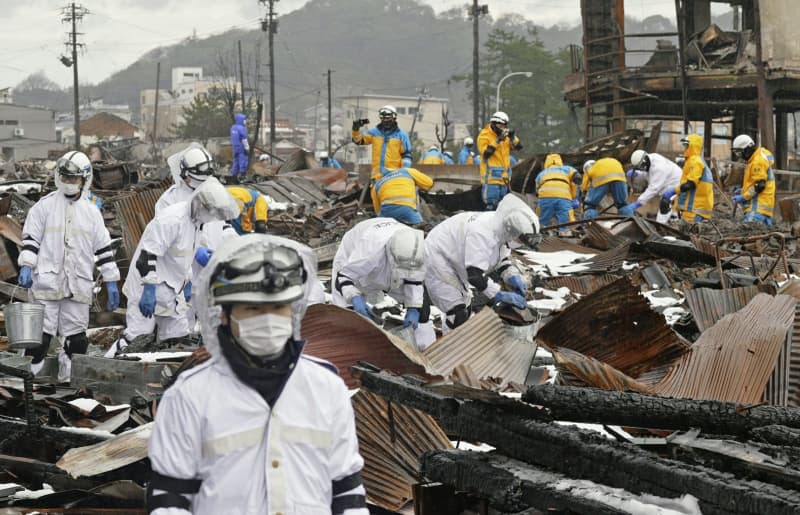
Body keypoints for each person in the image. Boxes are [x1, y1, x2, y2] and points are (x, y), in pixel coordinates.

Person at [147, 234, 367, 515]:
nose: (268, 319)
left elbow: (347, 491)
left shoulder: (327, 388)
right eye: (253, 309)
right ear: (224, 315)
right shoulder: (188, 397)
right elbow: (169, 500)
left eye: (278, 307)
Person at [18, 151, 120, 379]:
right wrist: (26, 265)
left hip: (78, 285)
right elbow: (30, 240)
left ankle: (68, 384)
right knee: (39, 341)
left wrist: (112, 281)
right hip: (47, 283)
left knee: (77, 342)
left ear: (85, 179)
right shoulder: (43, 207)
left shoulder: (92, 212)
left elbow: (103, 249)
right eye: (65, 178)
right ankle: (26, 386)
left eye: (73, 179)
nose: (68, 183)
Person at [119, 177, 240, 351]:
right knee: (136, 340)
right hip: (146, 286)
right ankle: (106, 368)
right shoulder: (172, 219)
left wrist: (188, 281)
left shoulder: (197, 224)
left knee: (178, 342)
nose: (212, 216)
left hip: (172, 291)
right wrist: (149, 288)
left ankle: (165, 376)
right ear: (200, 203)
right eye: (211, 211)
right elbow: (147, 256)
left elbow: (182, 258)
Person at [425, 193, 538, 330]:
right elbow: (474, 275)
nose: (519, 243)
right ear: (512, 230)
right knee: (456, 311)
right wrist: (498, 294)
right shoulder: (482, 233)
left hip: (454, 258)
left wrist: (512, 276)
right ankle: (451, 348)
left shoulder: (501, 230)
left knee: (465, 306)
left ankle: (457, 343)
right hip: (437, 257)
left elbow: (502, 260)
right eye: (520, 239)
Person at [332, 218, 431, 344]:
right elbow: (343, 277)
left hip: (393, 257)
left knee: (422, 308)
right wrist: (354, 298)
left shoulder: (417, 248)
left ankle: (423, 345)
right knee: (347, 314)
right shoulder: (368, 251)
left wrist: (414, 307)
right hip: (356, 249)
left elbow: (415, 279)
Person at [660, 134, 714, 222]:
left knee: (690, 234)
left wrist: (672, 192)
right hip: (693, 208)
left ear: (693, 146)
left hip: (695, 209)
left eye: (686, 146)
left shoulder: (695, 161)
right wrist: (675, 203)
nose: (685, 148)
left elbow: (690, 184)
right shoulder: (693, 160)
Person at [477, 111, 522, 210]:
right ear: (494, 124)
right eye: (500, 126)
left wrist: (512, 137)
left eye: (504, 126)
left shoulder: (505, 136)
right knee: (491, 205)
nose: (503, 128)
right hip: (491, 178)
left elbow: (519, 147)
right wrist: (498, 140)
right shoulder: (484, 135)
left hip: (504, 179)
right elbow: (486, 153)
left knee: (502, 207)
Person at [351, 105, 412, 177]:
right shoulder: (374, 132)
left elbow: (406, 155)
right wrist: (355, 129)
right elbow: (358, 140)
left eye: (388, 118)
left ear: (394, 117)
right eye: (383, 118)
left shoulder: (402, 135)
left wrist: (404, 172)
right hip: (376, 176)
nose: (385, 120)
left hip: (394, 176)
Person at [155, 143, 216, 213]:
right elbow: (163, 222)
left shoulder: (212, 191)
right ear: (184, 175)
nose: (201, 186)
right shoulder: (169, 200)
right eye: (198, 182)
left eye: (204, 182)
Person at [625, 149, 683, 222]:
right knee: (672, 212)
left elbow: (653, 188)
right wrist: (638, 173)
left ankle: (661, 228)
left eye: (640, 167)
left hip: (674, 185)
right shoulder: (651, 159)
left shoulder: (659, 168)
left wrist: (638, 203)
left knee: (664, 210)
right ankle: (673, 222)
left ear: (644, 161)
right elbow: (648, 173)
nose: (641, 169)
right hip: (668, 184)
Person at [731, 134, 775, 225]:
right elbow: (757, 181)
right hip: (763, 208)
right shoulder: (757, 157)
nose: (739, 156)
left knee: (749, 234)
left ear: (747, 149)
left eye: (739, 153)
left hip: (756, 207)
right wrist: (743, 190)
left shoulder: (757, 161)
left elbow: (760, 185)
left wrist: (743, 197)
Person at [535, 153, 581, 232]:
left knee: (543, 219)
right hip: (563, 197)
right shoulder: (567, 169)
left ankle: (543, 233)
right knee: (565, 220)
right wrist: (574, 197)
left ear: (547, 162)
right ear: (560, 161)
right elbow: (577, 177)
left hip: (545, 197)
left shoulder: (542, 173)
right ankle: (565, 233)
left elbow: (537, 189)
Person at [230, 112, 250, 183]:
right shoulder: (242, 128)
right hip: (241, 148)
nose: (245, 121)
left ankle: (233, 177)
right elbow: (244, 139)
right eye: (244, 119)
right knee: (243, 161)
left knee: (235, 162)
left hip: (235, 147)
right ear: (241, 120)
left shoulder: (233, 127)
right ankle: (242, 176)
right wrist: (247, 148)